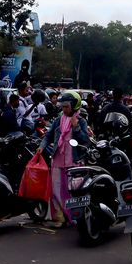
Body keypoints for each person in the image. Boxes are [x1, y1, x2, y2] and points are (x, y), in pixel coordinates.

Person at [41, 90, 92, 226]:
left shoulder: (81, 121)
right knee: (56, 190)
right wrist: (42, 146)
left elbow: (85, 140)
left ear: (74, 106)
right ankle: (60, 218)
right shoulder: (58, 120)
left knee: (73, 191)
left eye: (66, 107)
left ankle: (75, 217)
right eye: (62, 107)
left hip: (74, 161)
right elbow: (49, 135)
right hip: (58, 159)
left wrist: (76, 128)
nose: (64, 109)